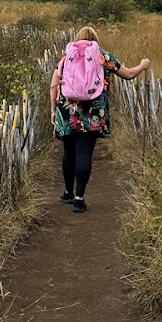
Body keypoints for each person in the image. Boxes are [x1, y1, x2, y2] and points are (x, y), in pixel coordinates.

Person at [50, 26, 150, 212]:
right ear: (95, 40)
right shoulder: (103, 57)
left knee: (69, 150)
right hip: (94, 113)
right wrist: (143, 65)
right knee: (85, 152)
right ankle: (79, 198)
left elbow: (54, 85)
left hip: (67, 110)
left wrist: (53, 111)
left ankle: (67, 192)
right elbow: (128, 74)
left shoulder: (67, 57)